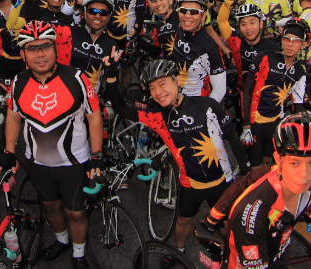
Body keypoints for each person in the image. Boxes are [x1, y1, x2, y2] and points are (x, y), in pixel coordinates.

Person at [106, 59, 250, 265]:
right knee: (183, 220)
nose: (158, 92)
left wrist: (245, 170)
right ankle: (178, 251)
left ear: (178, 82)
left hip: (221, 181)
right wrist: (112, 77)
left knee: (228, 223)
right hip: (190, 183)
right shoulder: (156, 116)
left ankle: (235, 255)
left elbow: (233, 140)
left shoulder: (207, 106)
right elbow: (120, 108)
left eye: (162, 84)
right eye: (152, 88)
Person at [0, 21, 103, 269]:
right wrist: (9, 152)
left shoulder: (77, 78)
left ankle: (79, 254)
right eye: (32, 49)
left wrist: (96, 155)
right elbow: (13, 116)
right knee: (51, 206)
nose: (40, 54)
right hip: (37, 162)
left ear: (55, 49)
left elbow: (94, 116)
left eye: (45, 47)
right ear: (23, 54)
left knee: (76, 212)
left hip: (73, 162)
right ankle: (62, 240)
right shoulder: (18, 82)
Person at [203, 112, 311, 269]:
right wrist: (213, 218)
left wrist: (214, 215)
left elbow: (245, 181)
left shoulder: (277, 172)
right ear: (278, 159)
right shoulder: (254, 218)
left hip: (277, 254)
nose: (304, 175)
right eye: (294, 163)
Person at [241, 19, 311, 166]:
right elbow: (247, 89)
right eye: (287, 39)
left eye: (296, 40)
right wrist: (246, 125)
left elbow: (298, 106)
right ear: (282, 40)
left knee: (266, 165)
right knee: (255, 169)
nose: (290, 44)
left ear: (304, 44)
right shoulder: (265, 57)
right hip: (255, 123)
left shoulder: (300, 72)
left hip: (275, 124)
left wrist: (309, 120)